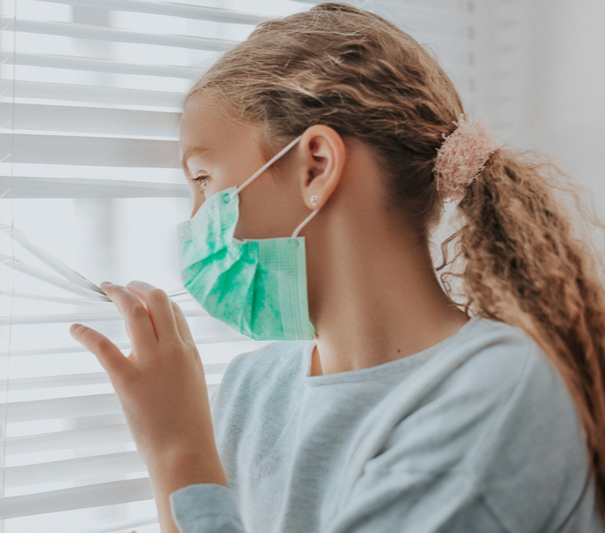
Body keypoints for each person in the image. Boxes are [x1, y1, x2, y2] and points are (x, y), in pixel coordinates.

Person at [69, 3, 605, 532]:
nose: (193, 219)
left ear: (315, 167)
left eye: (204, 179)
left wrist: (178, 453)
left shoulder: (499, 392)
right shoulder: (253, 387)